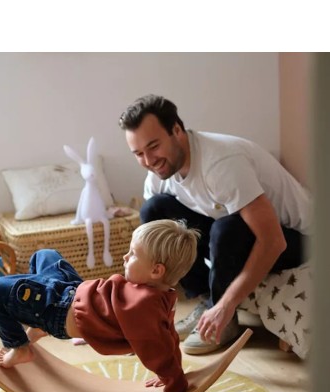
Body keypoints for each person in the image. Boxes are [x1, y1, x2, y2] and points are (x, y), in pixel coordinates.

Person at [118, 94, 311, 355]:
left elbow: (273, 241)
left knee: (225, 230)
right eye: (139, 154)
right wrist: (133, 316)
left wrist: (227, 303)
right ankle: (203, 300)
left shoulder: (221, 164)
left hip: (301, 238)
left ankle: (222, 312)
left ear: (177, 130)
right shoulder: (158, 175)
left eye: (153, 146)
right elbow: (151, 246)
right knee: (155, 212)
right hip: (242, 228)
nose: (149, 161)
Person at [0, 219, 200, 392]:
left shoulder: (143, 306)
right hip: (72, 291)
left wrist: (174, 385)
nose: (125, 257)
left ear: (156, 271)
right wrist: (170, 375)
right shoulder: (164, 295)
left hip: (58, 311)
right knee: (45, 255)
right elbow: (168, 336)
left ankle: (19, 347)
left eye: (133, 254)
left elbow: (156, 346)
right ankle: (38, 326)